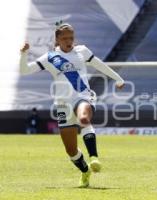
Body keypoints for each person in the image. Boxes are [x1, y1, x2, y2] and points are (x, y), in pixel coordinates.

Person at [19, 22, 125, 188]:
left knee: (84, 118)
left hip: (83, 96)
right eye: (65, 38)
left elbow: (99, 64)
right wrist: (24, 54)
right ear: (57, 40)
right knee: (71, 150)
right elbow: (24, 71)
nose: (69, 41)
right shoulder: (49, 58)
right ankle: (85, 171)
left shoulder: (82, 51)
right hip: (63, 104)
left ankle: (94, 158)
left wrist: (118, 78)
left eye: (71, 38)